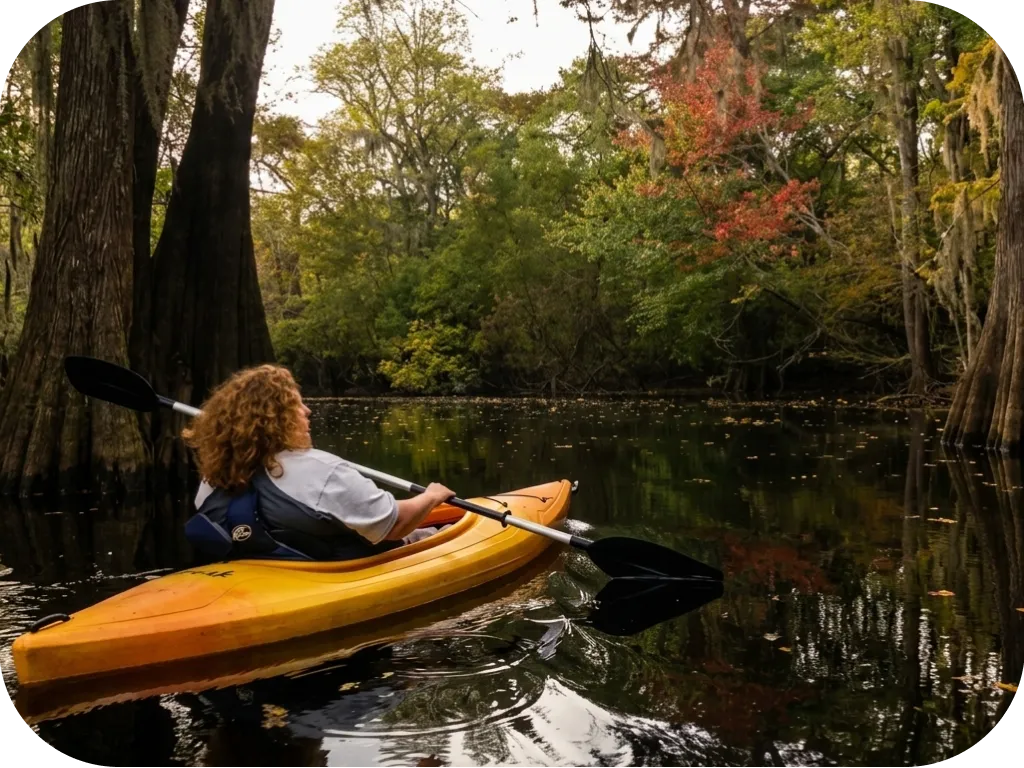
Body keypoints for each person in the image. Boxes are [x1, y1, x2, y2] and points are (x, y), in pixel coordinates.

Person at [181, 364, 455, 561]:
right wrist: (431, 496)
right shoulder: (322, 472)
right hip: (341, 573)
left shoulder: (212, 479)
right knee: (446, 532)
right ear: (276, 419)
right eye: (297, 406)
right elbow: (394, 526)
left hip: (262, 572)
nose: (307, 411)